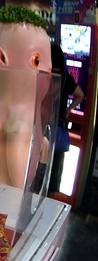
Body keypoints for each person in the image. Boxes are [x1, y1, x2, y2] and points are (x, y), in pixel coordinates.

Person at [48, 42, 85, 193]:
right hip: (58, 130)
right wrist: (69, 110)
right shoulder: (66, 79)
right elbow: (80, 95)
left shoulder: (44, 75)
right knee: (54, 174)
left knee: (38, 171)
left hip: (42, 128)